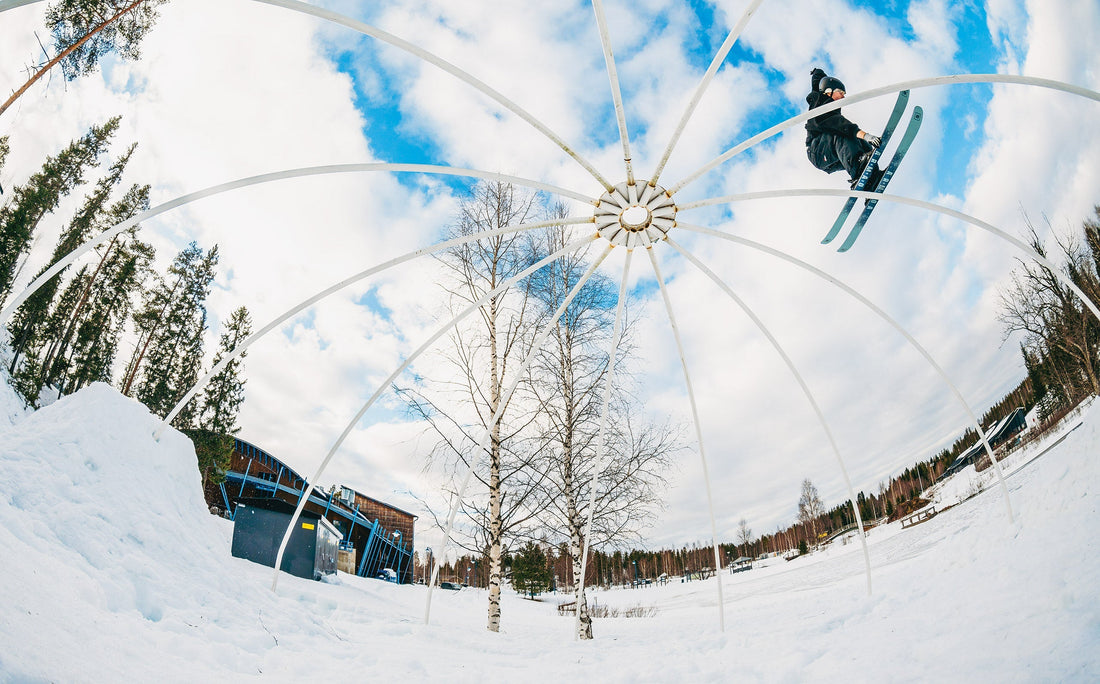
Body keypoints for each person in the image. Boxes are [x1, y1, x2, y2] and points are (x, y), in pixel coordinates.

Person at [805, 67, 883, 190]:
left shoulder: (823, 96)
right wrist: (867, 136)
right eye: (841, 92)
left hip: (832, 156)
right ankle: (857, 171)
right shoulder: (821, 109)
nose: (843, 96)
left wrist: (817, 72)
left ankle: (871, 180)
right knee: (843, 133)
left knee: (859, 143)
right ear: (829, 91)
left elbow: (818, 83)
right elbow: (841, 125)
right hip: (818, 152)